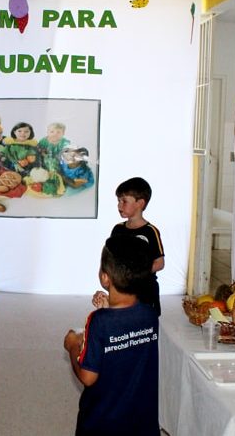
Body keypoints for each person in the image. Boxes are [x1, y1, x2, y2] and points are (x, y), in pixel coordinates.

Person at [64, 235, 159, 436]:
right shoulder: (150, 315)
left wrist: (72, 345)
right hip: (142, 423)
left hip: (102, 424)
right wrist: (110, 308)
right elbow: (128, 343)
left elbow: (88, 377)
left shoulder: (99, 321)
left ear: (105, 277)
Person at [93, 177, 164, 315]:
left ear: (140, 203)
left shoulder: (150, 231)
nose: (119, 205)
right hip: (122, 288)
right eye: (118, 201)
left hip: (146, 290)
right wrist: (106, 275)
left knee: (144, 320)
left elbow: (160, 263)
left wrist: (135, 273)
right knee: (122, 318)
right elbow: (109, 258)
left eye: (124, 201)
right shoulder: (117, 230)